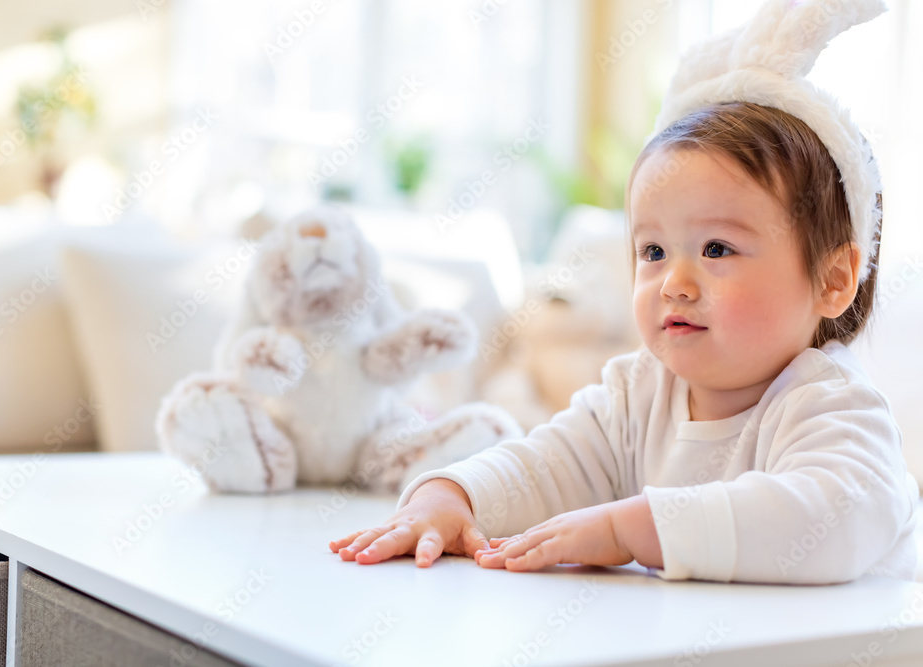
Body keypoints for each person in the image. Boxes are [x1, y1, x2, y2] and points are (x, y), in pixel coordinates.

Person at [329, 0, 919, 584]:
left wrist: (635, 528)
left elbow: (838, 519)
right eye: (653, 252)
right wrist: (453, 494)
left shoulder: (831, 406)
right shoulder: (638, 393)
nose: (675, 283)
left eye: (717, 249)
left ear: (835, 279)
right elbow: (548, 463)